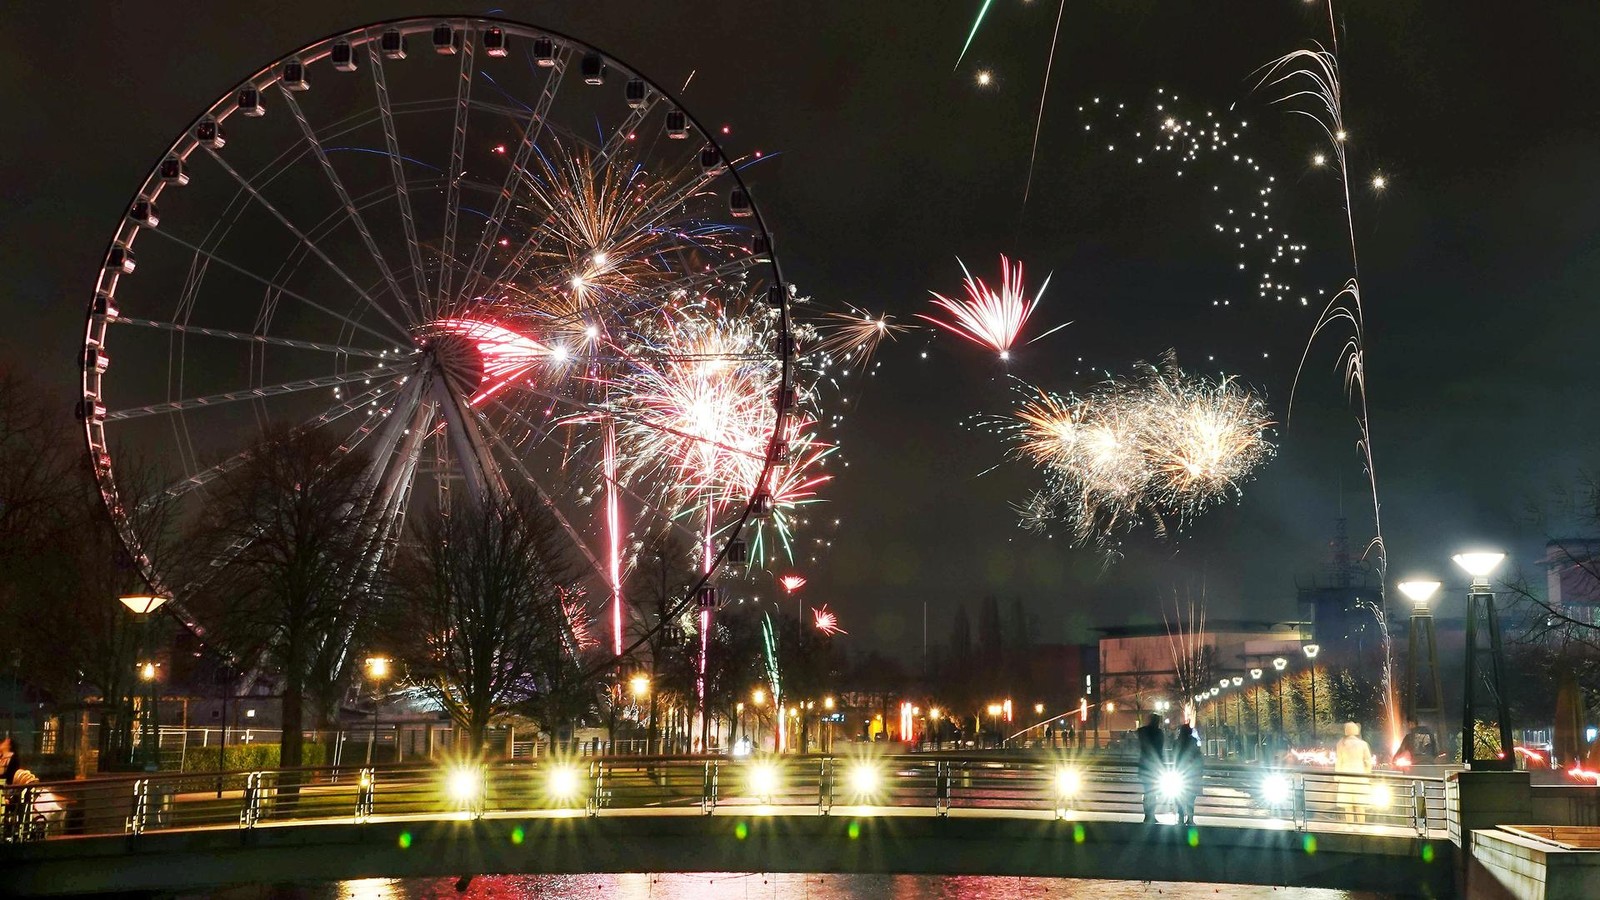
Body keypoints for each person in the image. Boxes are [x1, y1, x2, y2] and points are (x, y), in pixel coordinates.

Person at [1334, 721, 1374, 823]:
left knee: (1348, 805)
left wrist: (1337, 776)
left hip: (1345, 776)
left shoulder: (1341, 744)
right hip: (1360, 776)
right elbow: (1368, 761)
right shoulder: (1363, 744)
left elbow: (1339, 760)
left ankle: (1349, 826)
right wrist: (1367, 774)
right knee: (1360, 805)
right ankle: (1361, 825)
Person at [1135, 713, 1165, 823]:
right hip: (1155, 768)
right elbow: (1160, 752)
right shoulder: (1158, 733)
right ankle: (1150, 814)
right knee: (1152, 792)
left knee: (1148, 791)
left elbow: (1139, 734)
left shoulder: (1144, 732)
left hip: (1145, 766)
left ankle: (1148, 815)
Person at [1174, 723, 1204, 825]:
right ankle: (1190, 818)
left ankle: (1181, 816)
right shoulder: (1193, 742)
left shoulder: (1177, 742)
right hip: (1192, 773)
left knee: (1179, 796)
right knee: (1191, 797)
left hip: (1179, 773)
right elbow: (1198, 757)